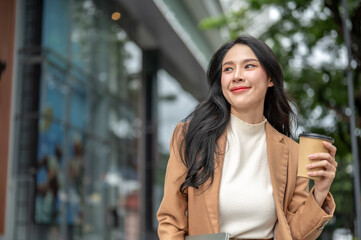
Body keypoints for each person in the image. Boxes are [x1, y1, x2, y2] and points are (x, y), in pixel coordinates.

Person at [157, 35, 337, 240]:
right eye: (228, 69)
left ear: (270, 78)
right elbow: (171, 221)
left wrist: (320, 192)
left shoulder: (292, 152)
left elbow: (294, 234)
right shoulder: (190, 136)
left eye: (249, 66)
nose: (237, 76)